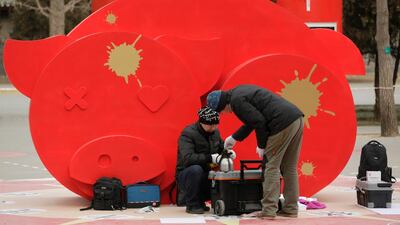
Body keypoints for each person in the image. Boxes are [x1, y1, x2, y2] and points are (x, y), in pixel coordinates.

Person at [207, 84, 304, 219]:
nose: (224, 113)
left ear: (223, 104)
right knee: (289, 167)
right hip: (296, 119)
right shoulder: (238, 92)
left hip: (281, 123)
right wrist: (235, 138)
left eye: (221, 111)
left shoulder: (236, 102)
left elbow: (259, 122)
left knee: (271, 167)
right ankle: (291, 208)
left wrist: (261, 145)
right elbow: (252, 120)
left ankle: (268, 211)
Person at [175, 106, 236, 214]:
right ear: (202, 122)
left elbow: (221, 148)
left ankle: (201, 202)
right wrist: (210, 157)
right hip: (186, 174)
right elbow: (187, 158)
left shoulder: (215, 133)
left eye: (216, 124)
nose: (213, 127)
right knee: (196, 169)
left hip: (206, 170)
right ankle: (192, 205)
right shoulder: (188, 133)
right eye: (210, 125)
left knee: (218, 170)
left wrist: (228, 153)